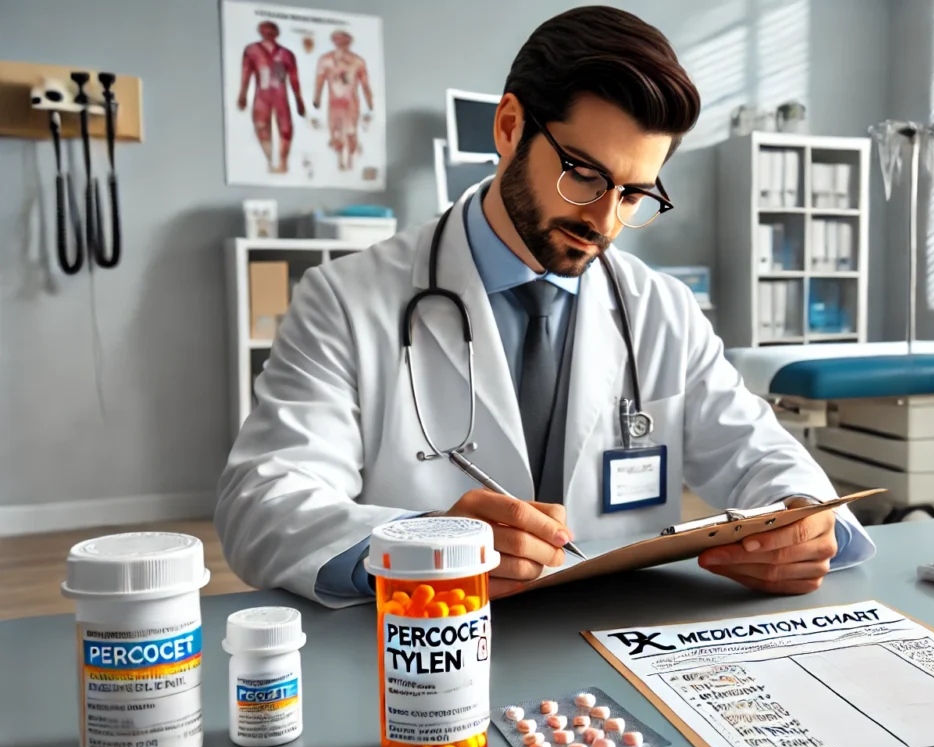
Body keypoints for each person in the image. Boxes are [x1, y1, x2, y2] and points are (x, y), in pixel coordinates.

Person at [215, 6, 875, 608]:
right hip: (427, 656)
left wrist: (806, 527)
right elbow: (262, 506)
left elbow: (761, 457)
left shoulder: (661, 309)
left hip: (617, 655)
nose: (604, 220)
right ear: (509, 127)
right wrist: (424, 549)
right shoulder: (348, 300)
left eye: (633, 194)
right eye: (584, 175)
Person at [237, 20, 306, 174]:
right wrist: (242, 94)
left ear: (277, 33)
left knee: (286, 128)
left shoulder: (287, 54)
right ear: (260, 31)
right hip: (262, 95)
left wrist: (299, 101)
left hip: (280, 95)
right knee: (261, 126)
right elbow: (246, 73)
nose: (267, 33)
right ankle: (269, 160)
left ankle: (283, 162)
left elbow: (294, 79)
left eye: (271, 30)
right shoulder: (252, 50)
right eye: (264, 30)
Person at [313, 29, 373, 171]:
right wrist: (317, 98)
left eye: (343, 40)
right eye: (337, 40)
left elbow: (365, 84)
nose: (339, 43)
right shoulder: (325, 60)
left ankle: (350, 161)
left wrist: (370, 102)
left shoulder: (358, 61)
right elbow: (320, 80)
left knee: (350, 131)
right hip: (334, 103)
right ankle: (341, 162)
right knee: (336, 132)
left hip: (350, 102)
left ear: (349, 42)